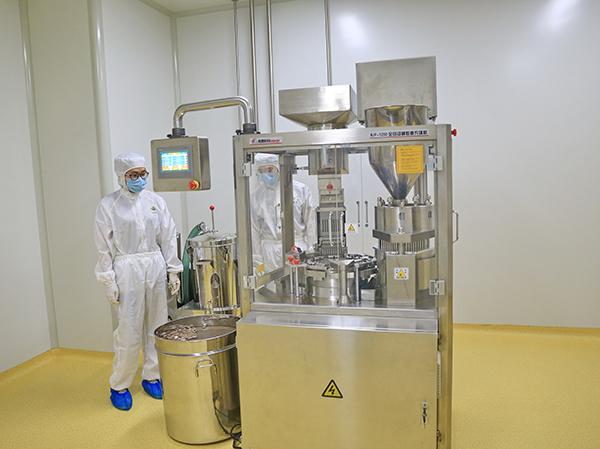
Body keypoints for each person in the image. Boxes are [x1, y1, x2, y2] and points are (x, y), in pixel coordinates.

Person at [94, 152, 183, 411]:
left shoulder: (155, 201)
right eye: (133, 175)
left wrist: (173, 270)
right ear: (121, 177)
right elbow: (103, 247)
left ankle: (152, 376)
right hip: (127, 267)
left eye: (143, 174)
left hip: (155, 264)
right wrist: (109, 281)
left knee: (157, 323)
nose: (139, 179)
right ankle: (119, 384)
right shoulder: (109, 205)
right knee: (129, 328)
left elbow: (168, 236)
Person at [250, 153, 317, 272]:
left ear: (278, 168)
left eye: (269, 169)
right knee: (270, 282)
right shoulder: (256, 195)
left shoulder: (300, 190)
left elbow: (311, 222)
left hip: (297, 248)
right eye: (261, 171)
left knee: (297, 281)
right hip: (269, 253)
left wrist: (312, 249)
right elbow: (253, 229)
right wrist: (257, 258)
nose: (265, 174)